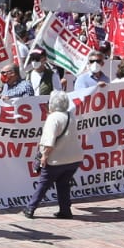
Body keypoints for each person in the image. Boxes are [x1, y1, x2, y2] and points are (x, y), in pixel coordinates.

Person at [23, 90, 81, 220]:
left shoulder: (53, 118)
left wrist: (44, 156)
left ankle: (30, 208)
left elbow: (49, 141)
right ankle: (65, 210)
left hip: (56, 159)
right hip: (74, 159)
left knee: (43, 184)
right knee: (64, 184)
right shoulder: (70, 115)